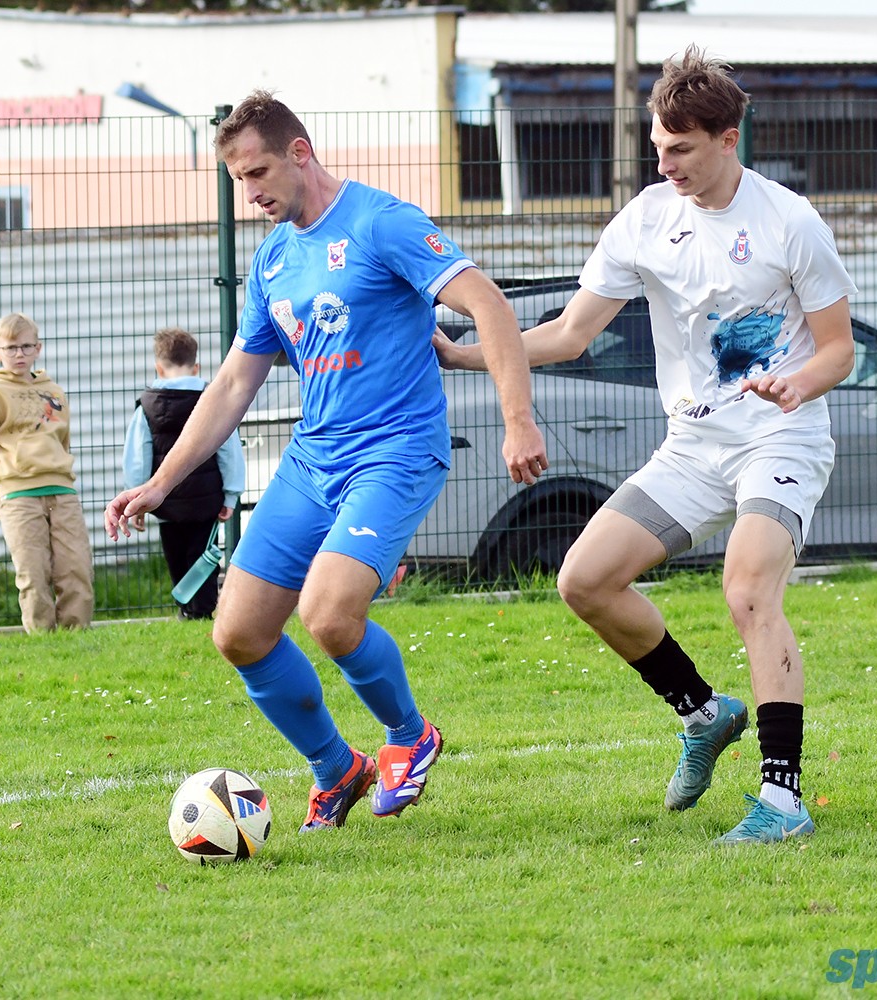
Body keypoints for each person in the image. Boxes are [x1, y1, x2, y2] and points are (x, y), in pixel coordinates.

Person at [435, 47, 857, 844]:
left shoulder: (789, 221)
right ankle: (703, 714)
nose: (665, 166)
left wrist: (798, 385)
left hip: (780, 437)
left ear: (728, 138)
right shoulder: (646, 220)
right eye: (657, 148)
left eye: (681, 149)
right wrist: (465, 356)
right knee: (584, 580)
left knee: (747, 590)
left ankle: (782, 801)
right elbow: (570, 332)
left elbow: (838, 350)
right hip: (693, 447)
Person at [105, 90, 547, 833]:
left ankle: (410, 736)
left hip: (395, 453)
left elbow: (489, 305)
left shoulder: (381, 222)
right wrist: (159, 482)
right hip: (315, 460)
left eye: (257, 173)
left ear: (300, 152)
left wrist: (518, 420)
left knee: (330, 614)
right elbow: (234, 383)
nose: (250, 194)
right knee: (237, 632)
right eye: (238, 181)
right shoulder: (273, 258)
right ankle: (336, 768)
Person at [0, 312, 95, 633]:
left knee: (76, 567)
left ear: (38, 348)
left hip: (62, 492)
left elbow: (62, 441)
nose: (19, 354)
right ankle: (42, 637)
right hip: (18, 495)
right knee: (32, 572)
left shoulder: (53, 391)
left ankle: (75, 635)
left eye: (26, 346)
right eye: (10, 348)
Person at [122, 326, 245, 620]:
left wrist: (136, 499)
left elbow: (137, 457)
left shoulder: (147, 406)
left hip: (167, 500)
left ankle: (186, 608)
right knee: (203, 553)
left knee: (175, 552)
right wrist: (231, 494)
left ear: (158, 368)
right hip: (206, 498)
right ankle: (202, 608)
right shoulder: (211, 401)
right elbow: (229, 450)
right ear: (196, 366)